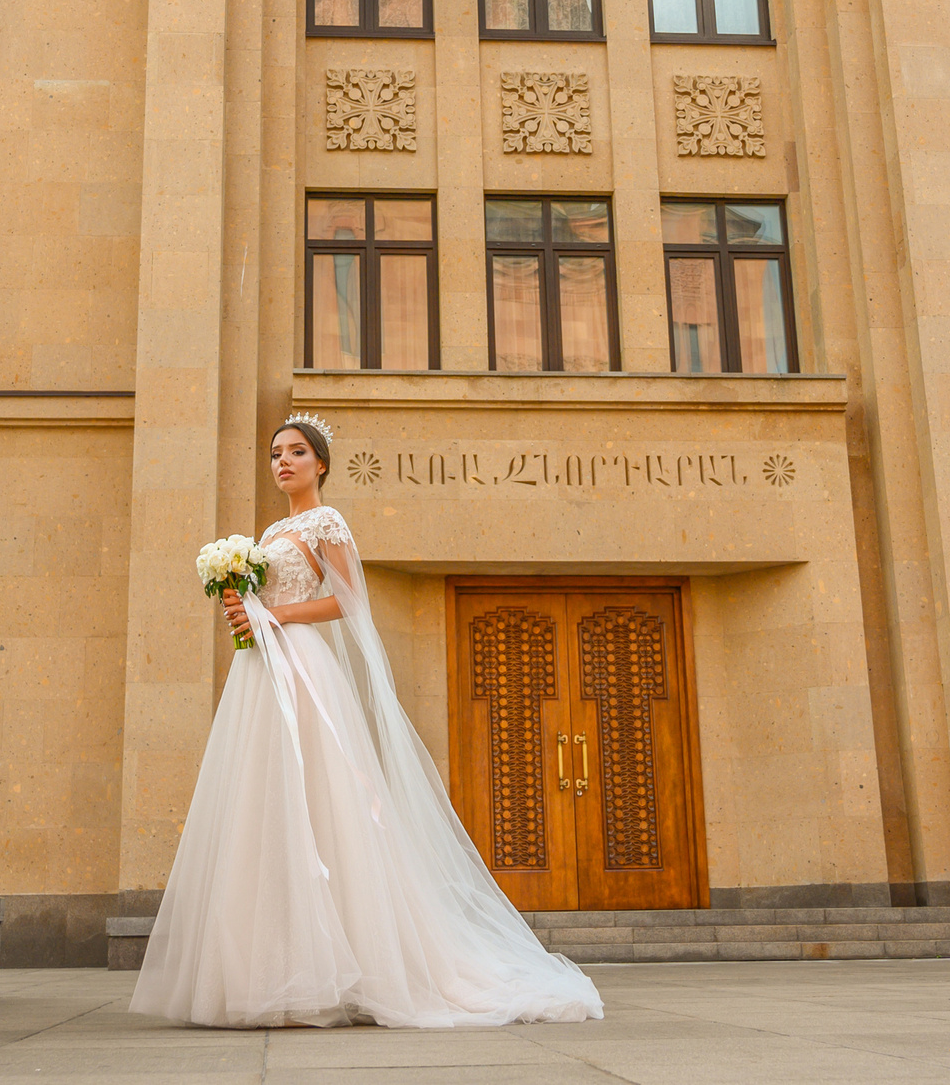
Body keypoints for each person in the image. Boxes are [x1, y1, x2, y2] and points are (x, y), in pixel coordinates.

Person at [130, 413, 603, 1029]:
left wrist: (276, 617)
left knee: (324, 805)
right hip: (261, 674)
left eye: (297, 452)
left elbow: (350, 603)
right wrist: (242, 603)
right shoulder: (272, 529)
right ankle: (266, 973)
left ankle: (346, 972)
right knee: (264, 805)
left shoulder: (329, 523)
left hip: (304, 669)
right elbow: (265, 604)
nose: (283, 462)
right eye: (276, 454)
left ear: (320, 464)